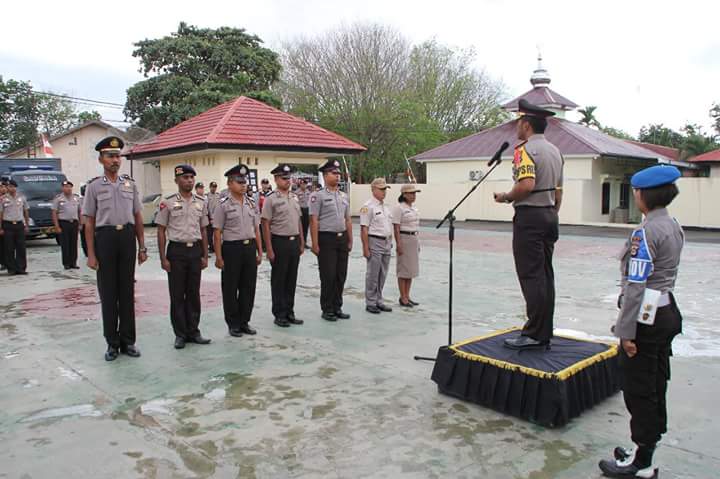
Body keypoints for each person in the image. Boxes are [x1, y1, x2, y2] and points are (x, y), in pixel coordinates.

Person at [598, 165, 684, 479]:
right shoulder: (672, 225)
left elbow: (636, 286)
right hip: (666, 312)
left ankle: (642, 464)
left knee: (639, 388)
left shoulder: (645, 232)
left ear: (642, 194)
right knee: (655, 384)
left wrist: (626, 332)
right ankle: (644, 448)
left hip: (646, 319)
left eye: (636, 191)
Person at [494, 99, 564, 351]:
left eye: (518, 123)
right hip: (548, 215)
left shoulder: (523, 151)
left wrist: (506, 197)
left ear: (526, 125)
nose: (516, 128)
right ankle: (544, 329)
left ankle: (534, 332)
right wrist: (552, 212)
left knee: (531, 275)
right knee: (545, 274)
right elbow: (558, 191)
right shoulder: (556, 151)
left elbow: (526, 185)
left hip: (530, 217)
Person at [83, 136, 147, 361]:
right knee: (109, 294)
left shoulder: (130, 185)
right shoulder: (93, 186)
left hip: (127, 237)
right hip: (106, 239)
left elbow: (138, 216)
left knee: (127, 292)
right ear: (101, 159)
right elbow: (88, 222)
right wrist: (91, 254)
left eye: (117, 155)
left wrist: (142, 246)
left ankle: (128, 341)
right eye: (110, 156)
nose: (115, 160)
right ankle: (112, 343)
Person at [155, 165, 212, 349]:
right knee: (178, 294)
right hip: (177, 251)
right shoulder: (168, 202)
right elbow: (161, 230)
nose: (189, 180)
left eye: (191, 177)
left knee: (194, 294)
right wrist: (163, 258)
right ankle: (180, 334)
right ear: (177, 180)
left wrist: (205, 255)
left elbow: (204, 230)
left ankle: (194, 331)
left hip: (195, 251)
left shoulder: (201, 202)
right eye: (185, 177)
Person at [213, 165, 263, 337]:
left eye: (245, 182)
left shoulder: (251, 203)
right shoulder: (223, 205)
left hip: (249, 247)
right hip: (231, 248)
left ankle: (244, 321)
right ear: (229, 183)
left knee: (248, 286)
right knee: (230, 287)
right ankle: (233, 323)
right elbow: (217, 232)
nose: (243, 185)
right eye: (239, 182)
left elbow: (257, 229)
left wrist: (260, 251)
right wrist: (219, 256)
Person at [262, 164, 305, 327]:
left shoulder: (294, 197)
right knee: (279, 280)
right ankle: (279, 314)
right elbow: (265, 224)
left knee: (291, 279)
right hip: (279, 242)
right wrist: (269, 249)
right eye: (284, 178)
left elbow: (299, 220)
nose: (288, 181)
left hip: (294, 242)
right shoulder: (271, 199)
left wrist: (302, 241)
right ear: (276, 179)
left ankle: (289, 312)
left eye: (289, 178)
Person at [309, 159, 353, 321]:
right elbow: (314, 220)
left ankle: (337, 306)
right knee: (328, 275)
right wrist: (314, 243)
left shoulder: (343, 196)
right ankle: (327, 309)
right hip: (326, 238)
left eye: (338, 173)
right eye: (334, 173)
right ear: (325, 175)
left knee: (341, 274)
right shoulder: (317, 196)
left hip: (342, 238)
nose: (337, 176)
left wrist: (350, 239)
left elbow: (347, 218)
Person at [360, 178, 393, 314]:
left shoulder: (385, 207)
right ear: (373, 190)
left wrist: (390, 242)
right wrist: (365, 247)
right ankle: (371, 302)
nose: (384, 192)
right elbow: (364, 229)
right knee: (373, 274)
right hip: (374, 241)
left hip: (386, 242)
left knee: (382, 273)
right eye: (381, 189)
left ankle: (379, 300)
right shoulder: (368, 207)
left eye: (385, 189)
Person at [392, 184, 421, 307]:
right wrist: (399, 243)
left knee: (410, 270)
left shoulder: (414, 209)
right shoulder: (399, 208)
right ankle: (402, 297)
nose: (413, 196)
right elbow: (396, 227)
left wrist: (418, 242)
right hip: (404, 238)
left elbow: (416, 226)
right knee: (403, 270)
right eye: (411, 193)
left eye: (414, 193)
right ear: (404, 195)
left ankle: (407, 296)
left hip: (413, 238)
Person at [0, 179, 30, 275]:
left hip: (19, 224)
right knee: (9, 248)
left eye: (12, 186)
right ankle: (11, 269)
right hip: (8, 225)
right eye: (9, 186)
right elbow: (0, 214)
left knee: (21, 247)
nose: (10, 188)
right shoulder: (3, 199)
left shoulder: (22, 198)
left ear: (16, 187)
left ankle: (21, 268)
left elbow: (26, 211)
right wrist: (0, 228)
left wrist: (27, 225)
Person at [51, 180, 82, 270]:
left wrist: (81, 223)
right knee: (65, 244)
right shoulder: (58, 199)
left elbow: (80, 211)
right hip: (64, 223)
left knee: (74, 243)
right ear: (62, 188)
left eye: (69, 187)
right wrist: (56, 226)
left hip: (74, 223)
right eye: (65, 187)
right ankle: (66, 263)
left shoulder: (76, 198)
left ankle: (73, 262)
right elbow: (54, 212)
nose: (68, 188)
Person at [206, 181, 221, 253]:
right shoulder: (207, 196)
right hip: (209, 217)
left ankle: (217, 247)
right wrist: (210, 218)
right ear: (210, 187)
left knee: (217, 234)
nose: (214, 188)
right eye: (212, 187)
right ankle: (211, 247)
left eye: (215, 187)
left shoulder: (218, 195)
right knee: (209, 234)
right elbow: (207, 208)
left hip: (217, 217)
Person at [296, 179, 311, 247]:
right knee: (300, 228)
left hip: (307, 210)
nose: (304, 185)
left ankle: (304, 242)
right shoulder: (297, 192)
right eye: (302, 184)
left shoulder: (308, 192)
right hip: (300, 210)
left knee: (305, 227)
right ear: (300, 184)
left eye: (305, 184)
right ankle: (299, 243)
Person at [0, 180, 7, 271]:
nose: (2, 189)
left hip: (6, 223)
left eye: (3, 187)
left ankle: (6, 263)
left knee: (6, 245)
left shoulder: (7, 198)